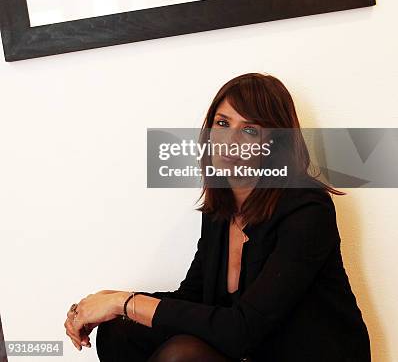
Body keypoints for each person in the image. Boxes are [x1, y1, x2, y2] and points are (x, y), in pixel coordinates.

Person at [64, 73, 371, 361]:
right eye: (223, 123)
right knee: (120, 331)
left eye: (250, 130)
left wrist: (124, 302)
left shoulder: (307, 209)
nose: (230, 140)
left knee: (182, 355)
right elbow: (194, 299)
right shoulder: (221, 211)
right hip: (254, 352)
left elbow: (242, 329)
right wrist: (114, 304)